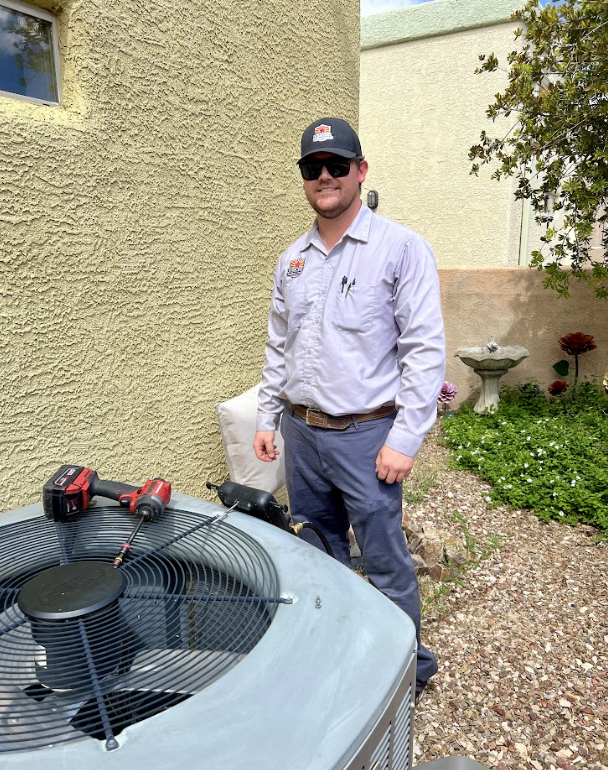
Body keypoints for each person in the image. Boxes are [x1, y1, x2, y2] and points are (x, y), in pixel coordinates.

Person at [253, 117, 445, 699]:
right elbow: (278, 343)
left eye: (338, 165)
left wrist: (406, 438)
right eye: (314, 168)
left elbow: (424, 349)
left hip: (367, 438)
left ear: (361, 172)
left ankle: (399, 676)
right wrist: (267, 416)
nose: (326, 176)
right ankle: (342, 652)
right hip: (302, 434)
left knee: (385, 560)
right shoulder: (293, 259)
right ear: (305, 179)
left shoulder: (400, 249)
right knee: (321, 550)